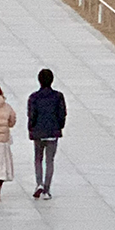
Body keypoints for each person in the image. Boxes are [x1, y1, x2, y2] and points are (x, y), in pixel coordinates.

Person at [28, 68, 67, 200]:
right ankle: (47, 189)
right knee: (49, 160)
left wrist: (31, 129)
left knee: (38, 159)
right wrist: (59, 126)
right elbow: (62, 114)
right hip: (52, 131)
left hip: (38, 132)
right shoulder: (58, 96)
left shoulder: (33, 97)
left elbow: (31, 115)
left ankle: (39, 183)